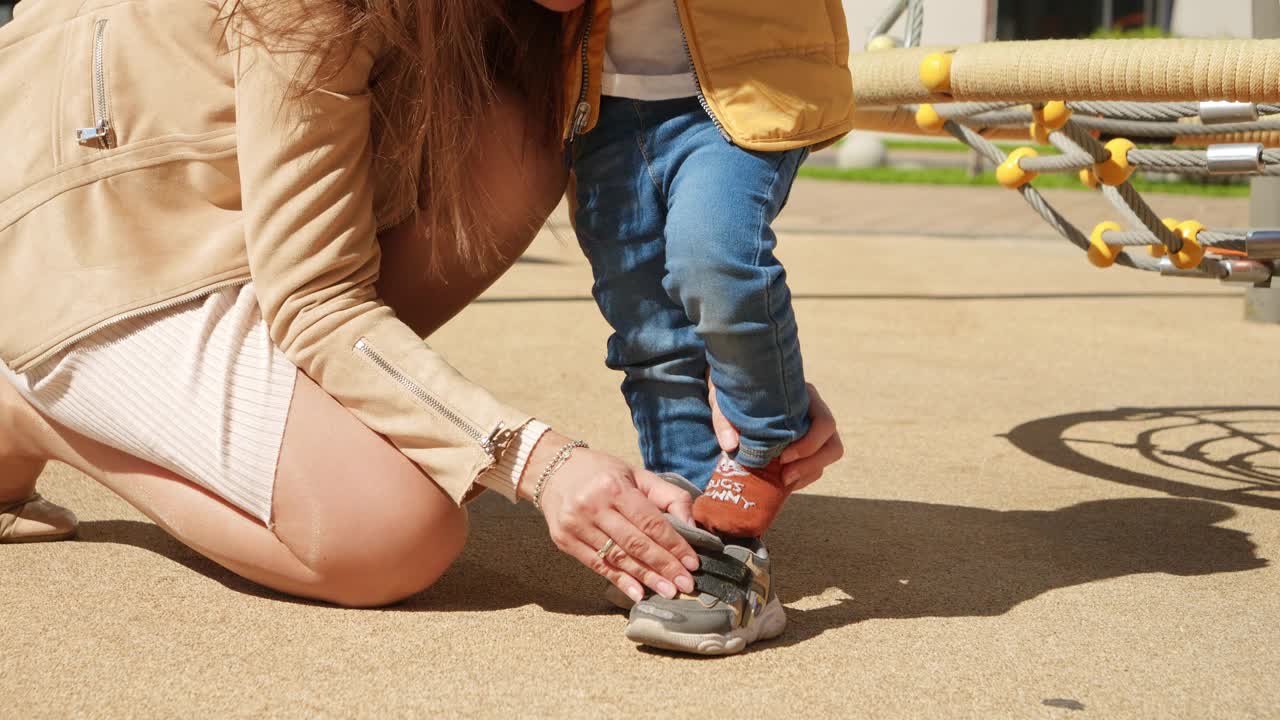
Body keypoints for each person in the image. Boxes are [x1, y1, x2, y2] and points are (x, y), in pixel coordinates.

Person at [0, 0, 842, 650]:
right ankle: (26, 407)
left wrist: (743, 360)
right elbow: (317, 302)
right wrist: (532, 457)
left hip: (215, 224)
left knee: (520, 136)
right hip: (89, 248)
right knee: (391, 534)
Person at [559, 0, 853, 652]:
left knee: (714, 255)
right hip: (596, 105)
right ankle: (696, 533)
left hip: (742, 92)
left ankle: (763, 454)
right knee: (648, 331)